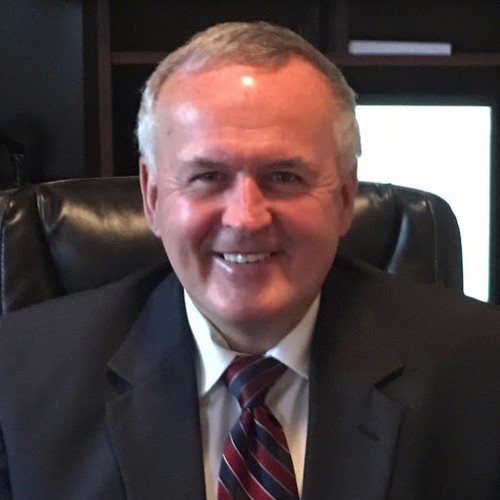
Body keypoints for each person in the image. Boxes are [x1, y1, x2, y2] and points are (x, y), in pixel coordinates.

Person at [0, 21, 499, 500]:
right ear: (151, 197)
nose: (245, 218)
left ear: (345, 198)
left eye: (284, 177)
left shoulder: (481, 370)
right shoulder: (19, 381)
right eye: (207, 177)